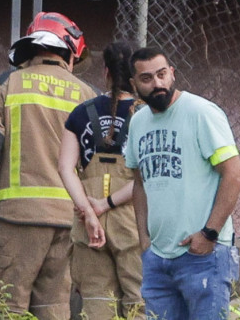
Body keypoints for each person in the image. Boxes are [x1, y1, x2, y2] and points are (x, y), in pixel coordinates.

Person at [0, 11, 97, 320]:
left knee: (5, 305)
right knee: (52, 307)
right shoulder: (87, 95)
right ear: (69, 51)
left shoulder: (7, 84)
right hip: (69, 218)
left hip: (19, 217)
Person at [124, 47, 240, 320]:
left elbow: (234, 175)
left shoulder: (201, 112)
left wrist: (209, 234)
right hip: (158, 257)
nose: (157, 84)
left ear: (172, 73)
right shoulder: (139, 122)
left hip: (203, 255)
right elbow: (139, 183)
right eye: (147, 78)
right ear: (134, 84)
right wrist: (145, 240)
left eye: (162, 74)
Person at [57, 40, 143, 320]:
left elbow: (66, 169)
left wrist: (88, 211)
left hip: (88, 222)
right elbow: (148, 176)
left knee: (96, 303)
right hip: (134, 220)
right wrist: (106, 204)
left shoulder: (81, 113)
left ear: (105, 72)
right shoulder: (147, 115)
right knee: (140, 300)